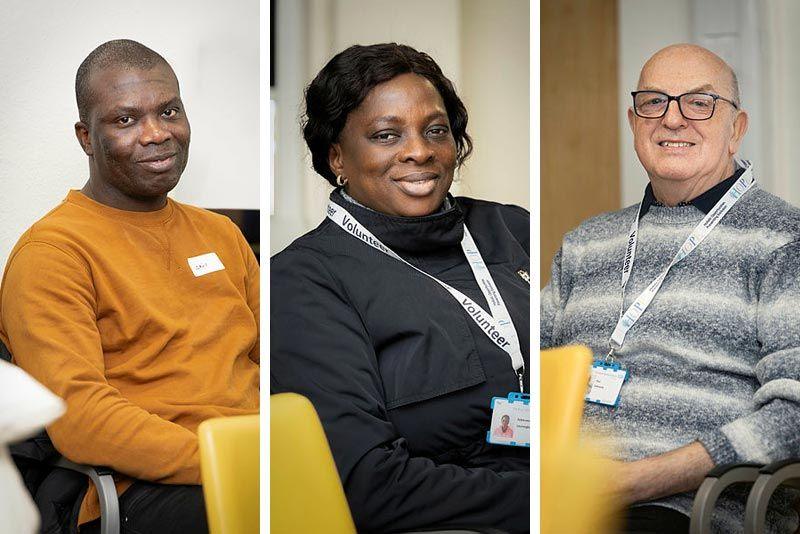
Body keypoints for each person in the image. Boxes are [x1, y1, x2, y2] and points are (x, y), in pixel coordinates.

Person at [0, 39, 260, 534]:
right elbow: (81, 418)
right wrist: (231, 460)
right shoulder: (52, 252)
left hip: (256, 461)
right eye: (125, 120)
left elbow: (278, 361)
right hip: (145, 490)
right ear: (85, 136)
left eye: (169, 111)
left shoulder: (222, 234)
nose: (157, 134)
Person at [541, 43, 800, 534]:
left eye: (700, 102)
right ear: (634, 121)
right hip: (558, 495)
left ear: (736, 129)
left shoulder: (784, 239)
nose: (673, 120)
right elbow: (528, 371)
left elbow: (794, 414)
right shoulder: (587, 242)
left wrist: (639, 480)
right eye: (654, 102)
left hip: (694, 507)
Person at [271, 43, 530, 533]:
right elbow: (372, 488)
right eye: (386, 135)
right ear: (337, 157)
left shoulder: (513, 229)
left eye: (436, 130)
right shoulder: (303, 282)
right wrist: (545, 499)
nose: (419, 150)